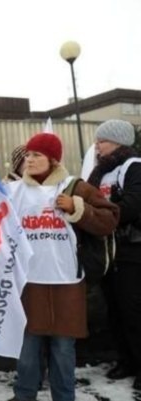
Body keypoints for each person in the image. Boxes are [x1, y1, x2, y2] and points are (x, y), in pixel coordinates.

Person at [5, 132, 118, 401]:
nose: (29, 160)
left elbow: (110, 218)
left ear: (53, 160)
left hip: (66, 283)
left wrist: (78, 208)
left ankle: (64, 397)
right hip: (29, 283)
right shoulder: (14, 189)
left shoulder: (75, 187)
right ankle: (24, 396)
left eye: (36, 155)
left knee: (63, 350)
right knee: (28, 349)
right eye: (28, 155)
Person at [86, 119, 141, 390]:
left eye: (103, 141)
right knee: (115, 311)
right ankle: (126, 360)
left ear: (119, 142)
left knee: (134, 311)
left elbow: (133, 204)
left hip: (131, 250)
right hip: (108, 250)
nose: (98, 145)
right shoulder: (101, 171)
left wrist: (100, 215)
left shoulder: (134, 167)